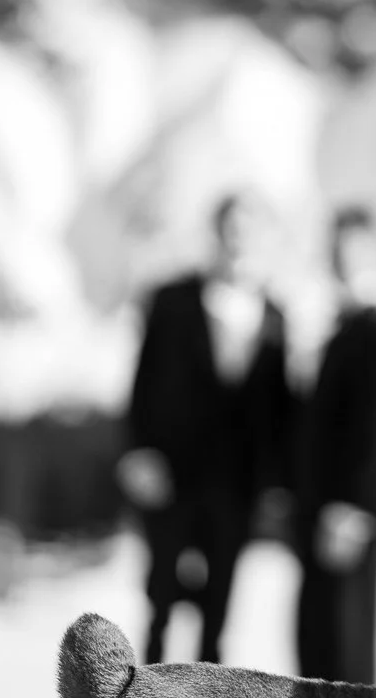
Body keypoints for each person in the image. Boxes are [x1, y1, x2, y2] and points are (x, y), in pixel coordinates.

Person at [120, 191, 290, 665]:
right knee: (160, 605)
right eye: (230, 227)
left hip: (235, 487)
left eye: (247, 229)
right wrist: (139, 453)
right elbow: (143, 382)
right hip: (172, 477)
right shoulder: (171, 301)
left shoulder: (275, 314)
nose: (237, 238)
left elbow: (277, 410)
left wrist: (274, 482)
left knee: (218, 614)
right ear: (215, 233)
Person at [295, 206, 376, 684]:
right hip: (322, 512)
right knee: (318, 650)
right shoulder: (338, 329)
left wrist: (351, 509)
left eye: (354, 249)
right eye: (337, 249)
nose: (343, 259)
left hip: (351, 518)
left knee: (347, 658)